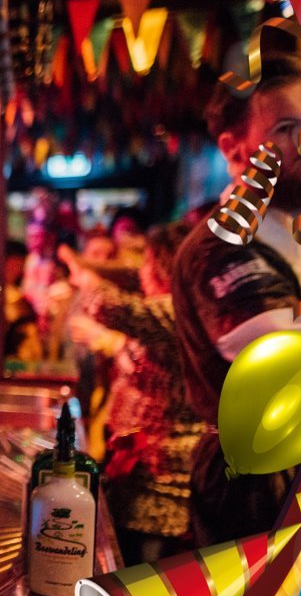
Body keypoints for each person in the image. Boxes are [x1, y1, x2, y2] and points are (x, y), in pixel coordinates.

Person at [172, 52, 301, 546]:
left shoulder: (300, 234)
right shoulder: (223, 247)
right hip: (260, 500)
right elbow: (294, 372)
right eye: (286, 128)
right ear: (234, 148)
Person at [68, 224, 203, 564]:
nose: (140, 272)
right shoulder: (170, 308)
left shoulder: (182, 309)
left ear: (162, 266)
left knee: (145, 580)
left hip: (163, 485)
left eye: (146, 263)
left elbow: (117, 309)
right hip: (142, 472)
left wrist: (86, 277)